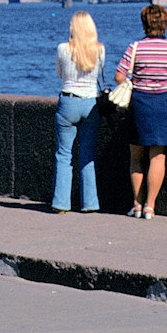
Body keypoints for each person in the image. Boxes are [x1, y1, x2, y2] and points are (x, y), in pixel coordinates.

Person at [114, 4, 167, 219]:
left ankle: (136, 204)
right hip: (164, 104)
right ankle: (150, 206)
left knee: (136, 157)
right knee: (158, 156)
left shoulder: (135, 47)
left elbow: (119, 76)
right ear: (165, 24)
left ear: (145, 24)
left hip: (139, 104)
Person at [51, 11, 106, 214]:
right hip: (91, 104)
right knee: (87, 155)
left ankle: (61, 203)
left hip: (68, 101)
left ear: (73, 28)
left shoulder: (63, 49)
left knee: (64, 154)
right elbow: (100, 72)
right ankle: (90, 203)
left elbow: (59, 74)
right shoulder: (100, 50)